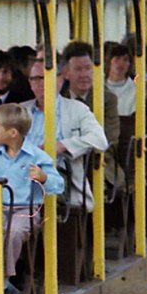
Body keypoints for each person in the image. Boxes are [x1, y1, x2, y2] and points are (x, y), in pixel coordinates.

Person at [0, 103, 64, 294]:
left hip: (25, 211)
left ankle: (1, 282)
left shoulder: (37, 156)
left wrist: (43, 177)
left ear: (12, 132)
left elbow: (59, 185)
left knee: (13, 232)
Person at [26, 64, 108, 211]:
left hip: (57, 174)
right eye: (37, 78)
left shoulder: (77, 109)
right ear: (30, 83)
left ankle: (24, 230)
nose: (43, 83)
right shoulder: (20, 110)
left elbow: (99, 140)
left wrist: (63, 145)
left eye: (48, 77)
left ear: (60, 80)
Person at [103, 41, 137, 117]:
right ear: (109, 62)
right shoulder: (97, 87)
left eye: (125, 59)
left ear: (129, 64)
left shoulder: (136, 90)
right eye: (117, 59)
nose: (121, 63)